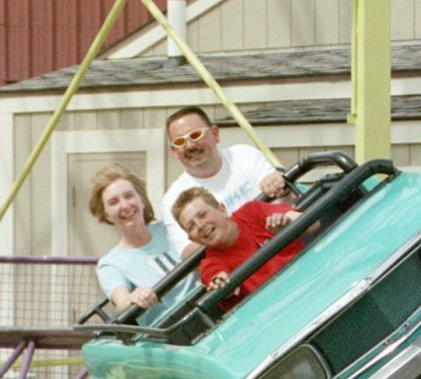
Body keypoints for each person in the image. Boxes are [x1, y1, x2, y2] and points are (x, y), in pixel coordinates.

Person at [160, 105, 287, 260]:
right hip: (243, 270)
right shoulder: (172, 199)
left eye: (195, 135)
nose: (190, 146)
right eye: (180, 142)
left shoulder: (245, 156)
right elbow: (190, 256)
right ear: (174, 151)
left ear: (215, 133)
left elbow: (281, 200)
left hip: (283, 246)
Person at [172, 187, 311, 308]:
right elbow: (216, 279)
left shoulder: (252, 211)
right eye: (191, 226)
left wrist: (286, 224)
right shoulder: (211, 263)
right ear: (191, 238)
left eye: (202, 215)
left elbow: (313, 223)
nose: (200, 225)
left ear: (222, 210)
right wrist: (220, 282)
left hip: (310, 282)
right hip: (277, 312)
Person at [88, 163, 181, 313]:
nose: (124, 205)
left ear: (142, 201)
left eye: (129, 196)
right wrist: (133, 298)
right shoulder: (110, 264)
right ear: (106, 215)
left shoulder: (171, 227)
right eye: (114, 202)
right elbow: (122, 303)